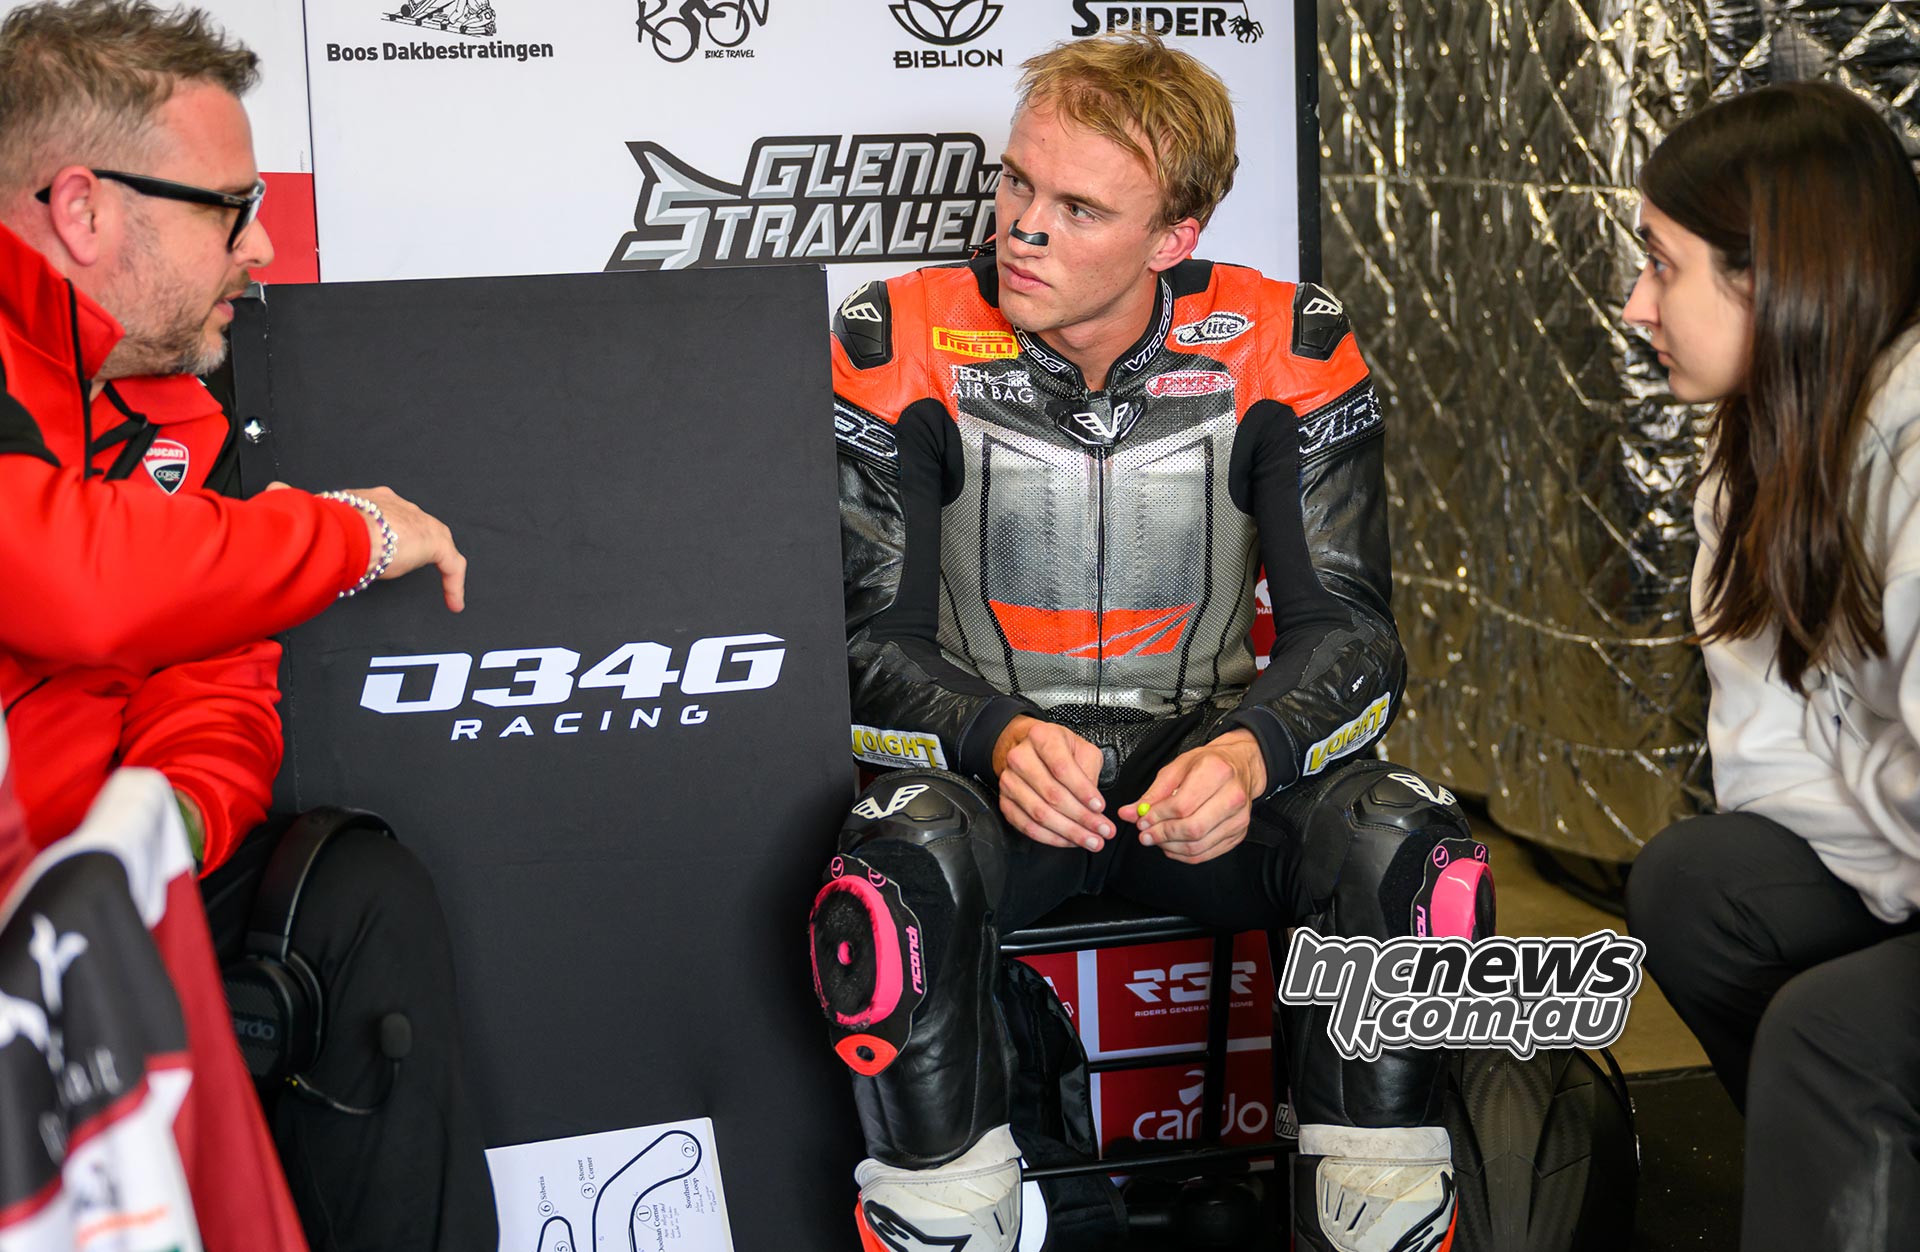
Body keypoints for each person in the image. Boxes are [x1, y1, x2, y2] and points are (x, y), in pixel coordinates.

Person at [808, 30, 1495, 1252]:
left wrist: (1251, 752)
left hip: (1204, 785)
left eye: (1078, 209)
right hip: (997, 788)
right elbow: (862, 645)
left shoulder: (1287, 338)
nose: (1024, 228)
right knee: (894, 869)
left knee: (1407, 849)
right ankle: (948, 1225)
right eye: (1018, 183)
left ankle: (1375, 1221)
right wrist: (992, 733)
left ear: (1173, 238)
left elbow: (1355, 636)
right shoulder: (895, 336)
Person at [0, 3, 495, 1248]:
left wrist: (163, 831)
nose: (263, 245)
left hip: (81, 887)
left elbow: (215, 686)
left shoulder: (175, 408)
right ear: (82, 209)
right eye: (231, 207)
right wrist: (347, 535)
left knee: (359, 899)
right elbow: (65, 576)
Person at [1621, 82, 1920, 1251]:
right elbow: (1768, 762)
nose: (1636, 303)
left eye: (1663, 265)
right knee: (1700, 888)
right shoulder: (1761, 451)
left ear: (1773, 275)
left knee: (1835, 1035)